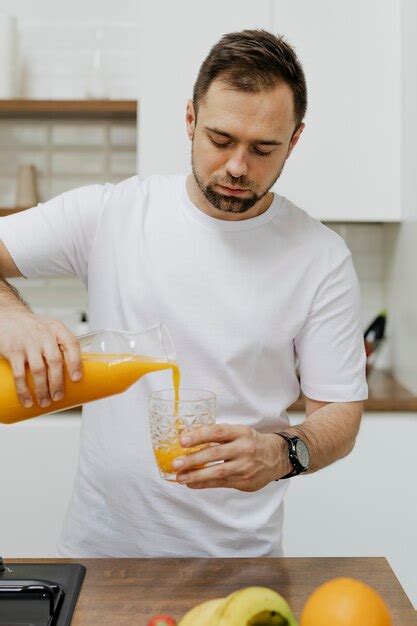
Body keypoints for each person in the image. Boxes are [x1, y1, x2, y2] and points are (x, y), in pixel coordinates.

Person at [0, 29, 367, 558]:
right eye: (221, 140)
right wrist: (10, 318)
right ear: (190, 120)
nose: (239, 167)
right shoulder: (112, 214)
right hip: (103, 557)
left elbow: (341, 413)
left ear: (295, 139)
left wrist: (285, 453)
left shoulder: (321, 257)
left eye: (263, 149)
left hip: (240, 563)